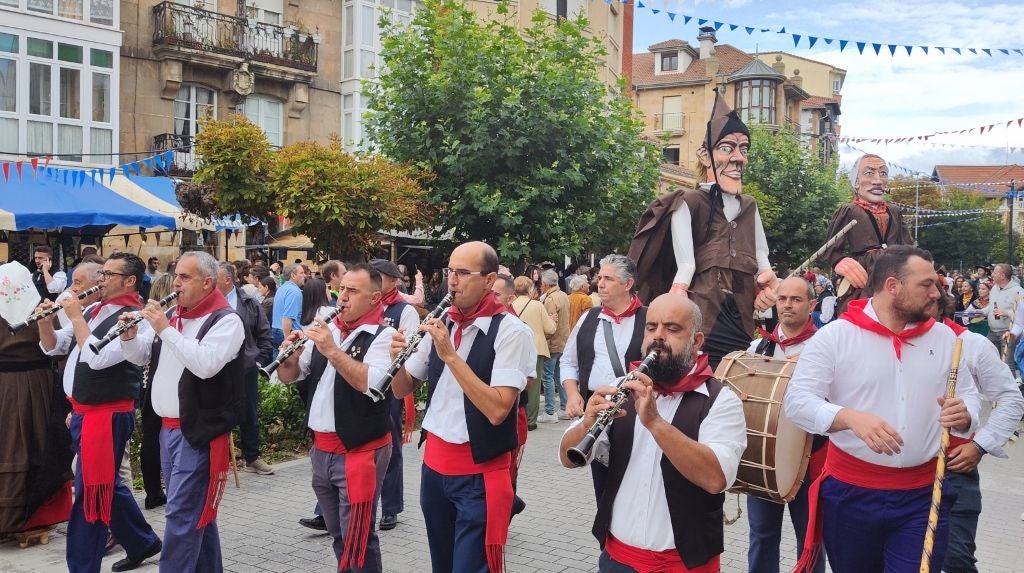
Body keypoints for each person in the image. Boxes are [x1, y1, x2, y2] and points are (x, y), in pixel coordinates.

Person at [784, 245, 981, 572]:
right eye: (926, 284)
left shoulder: (946, 339)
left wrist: (967, 414)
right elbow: (797, 402)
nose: (937, 292)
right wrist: (847, 417)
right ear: (892, 287)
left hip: (923, 495)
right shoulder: (835, 337)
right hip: (851, 495)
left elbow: (970, 397)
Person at [558, 293, 747, 572]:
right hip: (617, 559)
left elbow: (715, 478)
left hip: (685, 565)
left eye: (672, 329)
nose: (658, 337)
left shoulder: (721, 400)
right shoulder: (621, 386)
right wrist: (587, 424)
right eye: (651, 327)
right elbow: (567, 458)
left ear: (696, 342)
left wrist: (656, 423)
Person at [388, 241, 535, 573]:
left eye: (463, 273)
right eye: (450, 271)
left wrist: (451, 356)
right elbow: (401, 389)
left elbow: (499, 410)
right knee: (442, 565)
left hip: (480, 474)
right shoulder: (445, 322)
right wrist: (395, 358)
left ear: (488, 280)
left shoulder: (512, 332)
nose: (452, 281)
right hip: (435, 469)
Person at [628, 93, 778, 367]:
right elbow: (686, 264)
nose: (738, 159)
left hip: (742, 314)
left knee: (736, 375)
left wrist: (768, 282)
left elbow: (761, 258)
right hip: (704, 311)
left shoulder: (750, 205)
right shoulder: (689, 201)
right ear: (704, 156)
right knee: (701, 374)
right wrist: (677, 296)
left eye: (743, 150)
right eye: (727, 148)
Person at [120, 251, 246, 573]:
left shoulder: (226, 320)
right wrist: (129, 336)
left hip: (197, 431)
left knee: (180, 514)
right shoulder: (176, 314)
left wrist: (164, 327)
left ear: (207, 282)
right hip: (167, 429)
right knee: (196, 513)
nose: (176, 282)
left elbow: (205, 364)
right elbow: (141, 355)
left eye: (185, 277)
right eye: (176, 275)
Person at [38, 252, 163, 573]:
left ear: (130, 281)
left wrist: (76, 316)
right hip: (84, 410)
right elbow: (56, 345)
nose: (101, 281)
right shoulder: (95, 308)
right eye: (101, 274)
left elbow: (96, 357)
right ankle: (142, 541)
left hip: (106, 414)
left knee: (91, 492)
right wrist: (44, 322)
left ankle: (82, 565)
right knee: (107, 484)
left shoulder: (136, 317)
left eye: (108, 275)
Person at [276, 264, 396, 572]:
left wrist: (331, 349)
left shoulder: (383, 336)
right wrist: (287, 359)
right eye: (342, 288)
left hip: (360, 451)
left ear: (375, 298)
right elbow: (292, 376)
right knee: (339, 532)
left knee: (359, 536)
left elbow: (374, 384)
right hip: (322, 450)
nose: (342, 297)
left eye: (353, 291)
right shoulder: (327, 328)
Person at [932, 286, 1024, 573]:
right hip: (897, 478)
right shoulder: (883, 342)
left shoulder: (970, 344)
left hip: (955, 470)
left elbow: (1010, 398)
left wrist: (981, 444)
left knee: (955, 559)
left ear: (938, 303)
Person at [746, 276, 826, 573]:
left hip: (810, 458)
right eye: (783, 299)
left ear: (812, 305)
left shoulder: (825, 346)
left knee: (810, 541)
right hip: (765, 458)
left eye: (796, 299)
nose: (788, 305)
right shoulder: (759, 346)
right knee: (762, 535)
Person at [561, 254, 648, 503]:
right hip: (598, 414)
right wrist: (573, 394)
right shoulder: (588, 318)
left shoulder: (649, 319)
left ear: (627, 284)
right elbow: (568, 361)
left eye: (608, 279)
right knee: (604, 491)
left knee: (635, 489)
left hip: (636, 417)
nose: (600, 283)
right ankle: (605, 541)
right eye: (600, 277)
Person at [820, 154, 914, 314]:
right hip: (864, 275)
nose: (878, 181)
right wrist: (840, 261)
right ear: (856, 181)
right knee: (862, 313)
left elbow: (908, 246)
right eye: (869, 173)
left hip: (894, 271)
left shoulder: (894, 211)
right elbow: (830, 247)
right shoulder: (848, 210)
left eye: (883, 173)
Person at [367, 258, 421, 532]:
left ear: (392, 281)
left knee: (390, 448)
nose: (374, 280)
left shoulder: (404, 309)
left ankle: (390, 508)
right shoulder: (367, 304)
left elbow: (410, 349)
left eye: (378, 276)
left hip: (390, 387)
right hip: (363, 382)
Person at [216, 262, 275, 476]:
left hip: (245, 367)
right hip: (215, 366)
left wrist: (256, 360)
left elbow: (264, 333)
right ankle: (218, 458)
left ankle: (252, 456)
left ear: (228, 280)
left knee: (248, 411)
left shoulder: (249, 302)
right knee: (216, 411)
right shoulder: (206, 301)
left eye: (216, 277)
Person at [491, 273, 532, 518]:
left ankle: (505, 510)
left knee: (508, 470)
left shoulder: (519, 330)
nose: (490, 299)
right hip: (486, 413)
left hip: (512, 412)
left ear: (511, 298)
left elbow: (527, 381)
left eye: (496, 295)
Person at [140, 274, 176, 510]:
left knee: (150, 436)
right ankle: (163, 489)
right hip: (161, 380)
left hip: (146, 382)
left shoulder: (146, 316)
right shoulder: (167, 318)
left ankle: (152, 491)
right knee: (160, 435)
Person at [511, 276, 556, 430]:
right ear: (530, 289)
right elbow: (550, 329)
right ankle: (530, 421)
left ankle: (515, 416)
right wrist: (553, 319)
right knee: (534, 387)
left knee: (514, 383)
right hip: (536, 349)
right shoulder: (537, 305)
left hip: (514, 349)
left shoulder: (510, 304)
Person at [540, 269, 571, 422]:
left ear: (545, 284)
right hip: (564, 341)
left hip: (553, 343)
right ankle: (564, 408)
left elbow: (551, 324)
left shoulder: (551, 299)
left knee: (548, 377)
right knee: (559, 376)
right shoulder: (564, 295)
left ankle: (549, 411)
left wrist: (544, 338)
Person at [987, 263, 1024, 375]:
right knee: (990, 361)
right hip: (992, 331)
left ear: (1002, 275)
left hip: (1008, 332)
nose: (992, 274)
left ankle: (1012, 391)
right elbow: (991, 306)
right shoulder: (994, 288)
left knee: (1007, 363)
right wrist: (978, 312)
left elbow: (1022, 313)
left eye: (995, 272)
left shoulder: (1018, 291)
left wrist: (1007, 313)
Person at [271, 262, 307, 352]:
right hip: (287, 333)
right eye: (301, 273)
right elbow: (287, 317)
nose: (305, 275)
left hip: (276, 330)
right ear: (293, 275)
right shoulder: (295, 292)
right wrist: (288, 341)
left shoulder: (281, 288)